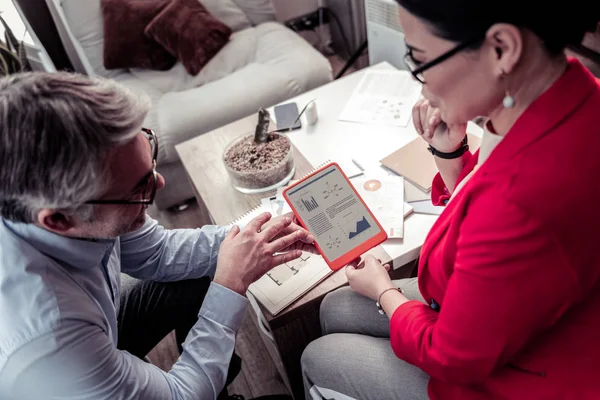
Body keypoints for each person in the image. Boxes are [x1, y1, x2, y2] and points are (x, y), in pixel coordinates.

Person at [302, 2, 600, 399]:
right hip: (520, 319)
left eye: (419, 58)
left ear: (501, 49)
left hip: (521, 374)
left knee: (318, 356)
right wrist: (451, 155)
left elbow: (452, 355)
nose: (420, 83)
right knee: (334, 308)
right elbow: (488, 195)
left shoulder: (522, 202)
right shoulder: (575, 92)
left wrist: (384, 292)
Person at [0, 72, 317, 400]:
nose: (160, 183)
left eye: (148, 151)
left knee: (198, 276)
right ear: (59, 220)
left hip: (96, 330)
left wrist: (257, 233)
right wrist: (230, 284)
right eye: (139, 187)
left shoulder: (69, 206)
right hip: (71, 369)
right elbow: (180, 396)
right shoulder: (51, 343)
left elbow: (160, 252)